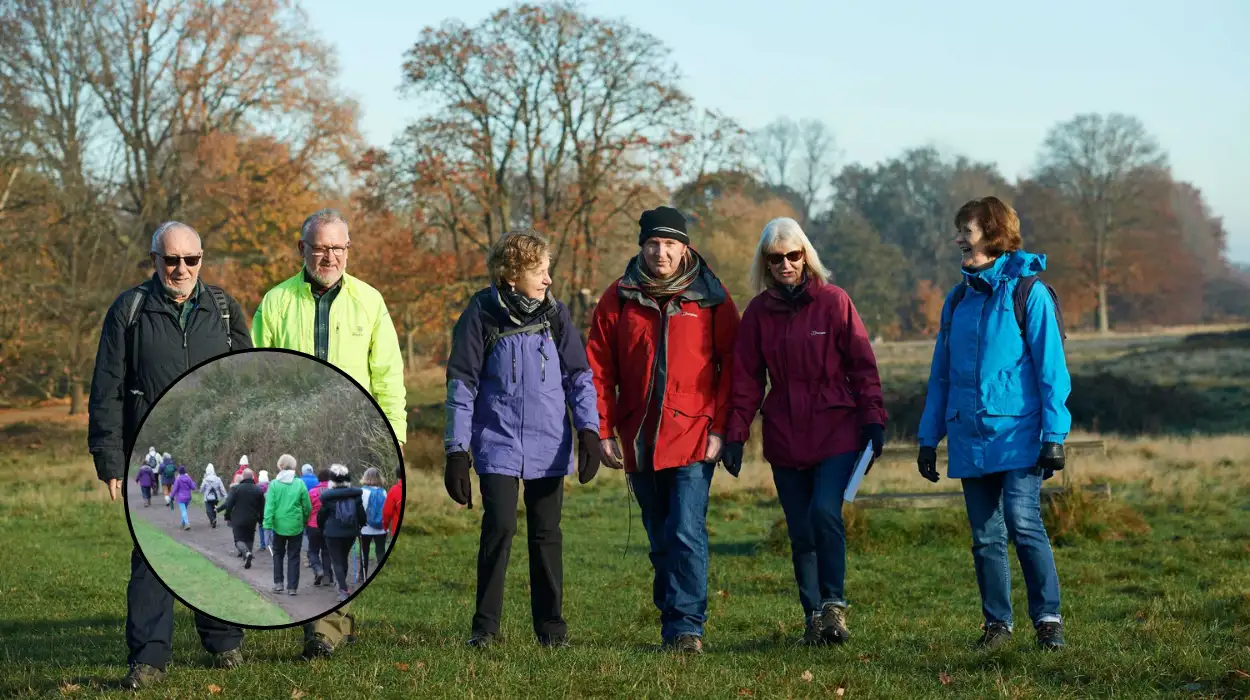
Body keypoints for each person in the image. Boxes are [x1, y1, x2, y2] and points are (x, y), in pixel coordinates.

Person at [87, 220, 251, 689]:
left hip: (214, 453)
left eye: (191, 260)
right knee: (154, 555)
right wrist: (110, 458)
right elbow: (107, 390)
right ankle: (149, 659)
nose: (181, 269)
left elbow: (246, 382)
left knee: (217, 544)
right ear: (154, 260)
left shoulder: (223, 309)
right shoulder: (130, 310)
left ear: (202, 259)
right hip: (151, 455)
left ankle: (224, 642)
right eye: (171, 259)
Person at [722, 217, 887, 646]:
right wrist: (736, 434)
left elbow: (862, 365)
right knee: (799, 530)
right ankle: (813, 616)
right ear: (766, 262)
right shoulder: (758, 313)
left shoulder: (834, 303)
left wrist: (873, 419)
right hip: (784, 433)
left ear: (805, 255)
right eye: (775, 258)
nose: (785, 264)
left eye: (792, 255)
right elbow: (746, 378)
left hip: (836, 428)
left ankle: (834, 605)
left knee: (824, 513)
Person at [916, 196, 1071, 651]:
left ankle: (1048, 619)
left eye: (967, 230)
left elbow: (1052, 371)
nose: (959, 239)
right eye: (959, 230)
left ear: (994, 233)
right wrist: (929, 438)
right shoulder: (957, 300)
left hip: (1020, 436)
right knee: (985, 537)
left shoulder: (1029, 293)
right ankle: (997, 626)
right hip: (969, 436)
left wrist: (1054, 436)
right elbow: (941, 374)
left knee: (1022, 523)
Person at [251, 208, 407, 659]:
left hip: (354, 433)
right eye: (320, 247)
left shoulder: (370, 302)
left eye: (338, 247)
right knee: (310, 527)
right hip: (294, 431)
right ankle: (323, 621)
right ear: (302, 249)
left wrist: (394, 434)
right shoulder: (276, 302)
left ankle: (328, 627)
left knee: (343, 528)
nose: (329, 256)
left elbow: (389, 376)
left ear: (348, 249)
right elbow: (261, 369)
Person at [585, 206, 739, 654]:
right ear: (642, 246)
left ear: (685, 247)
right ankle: (672, 615)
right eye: (653, 243)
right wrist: (603, 430)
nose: (661, 252)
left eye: (670, 244)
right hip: (639, 440)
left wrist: (722, 427)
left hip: (695, 436)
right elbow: (597, 368)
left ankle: (687, 628)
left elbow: (735, 366)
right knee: (660, 538)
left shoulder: (711, 297)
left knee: (686, 531)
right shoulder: (618, 297)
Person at [444, 230, 601, 649]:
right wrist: (456, 450)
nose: (548, 279)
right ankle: (484, 630)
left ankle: (551, 631)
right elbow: (462, 384)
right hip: (496, 442)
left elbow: (580, 377)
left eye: (548, 270)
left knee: (547, 534)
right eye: (539, 271)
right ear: (512, 274)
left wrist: (589, 431)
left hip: (549, 443)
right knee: (499, 527)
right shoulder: (481, 314)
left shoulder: (556, 316)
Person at [263, 454, 313, 596]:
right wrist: (304, 519)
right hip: (296, 525)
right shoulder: (299, 484)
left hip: (278, 525)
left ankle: (278, 583)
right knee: (294, 556)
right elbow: (307, 506)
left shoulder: (273, 485)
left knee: (278, 554)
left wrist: (267, 526)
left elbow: (269, 508)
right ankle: (292, 587)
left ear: (280, 466)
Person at [317, 464, 366, 604]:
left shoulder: (327, 497)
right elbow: (361, 515)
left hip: (332, 533)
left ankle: (343, 590)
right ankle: (341, 583)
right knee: (343, 558)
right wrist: (362, 524)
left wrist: (322, 528)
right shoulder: (355, 495)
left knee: (336, 560)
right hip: (350, 532)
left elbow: (322, 516)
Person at [218, 468, 266, 569]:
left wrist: (227, 515)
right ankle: (248, 555)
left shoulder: (236, 489)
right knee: (249, 538)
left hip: (238, 518)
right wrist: (262, 520)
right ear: (253, 477)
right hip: (252, 519)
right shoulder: (258, 490)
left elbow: (229, 504)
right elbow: (262, 507)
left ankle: (246, 553)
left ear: (243, 477)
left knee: (238, 539)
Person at [358, 467, 389, 581]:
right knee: (380, 551)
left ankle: (363, 574)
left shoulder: (362, 491)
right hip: (381, 528)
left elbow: (361, 509)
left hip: (366, 528)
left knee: (364, 551)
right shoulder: (383, 491)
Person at [306, 468, 332, 587]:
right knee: (326, 551)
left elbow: (307, 509)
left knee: (313, 550)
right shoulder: (333, 492)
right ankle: (327, 575)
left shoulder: (312, 492)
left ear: (318, 479)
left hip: (313, 525)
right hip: (328, 525)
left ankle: (318, 569)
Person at [200, 464, 227, 529]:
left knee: (208, 510)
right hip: (216, 497)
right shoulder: (218, 479)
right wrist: (225, 495)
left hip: (207, 497)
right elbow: (222, 488)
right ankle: (213, 520)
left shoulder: (205, 479)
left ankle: (212, 520)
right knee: (214, 509)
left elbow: (201, 489)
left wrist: (202, 491)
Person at [171, 466, 198, 530]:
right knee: (184, 510)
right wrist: (194, 483)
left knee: (183, 511)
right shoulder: (188, 478)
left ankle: (187, 524)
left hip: (181, 498)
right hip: (188, 497)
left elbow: (175, 489)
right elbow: (193, 487)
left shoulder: (178, 479)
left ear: (179, 472)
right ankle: (182, 523)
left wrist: (171, 496)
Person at [256, 470, 272, 554]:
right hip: (269, 511)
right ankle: (272, 543)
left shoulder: (256, 488)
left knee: (261, 527)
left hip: (260, 512)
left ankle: (263, 545)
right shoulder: (271, 487)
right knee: (271, 528)